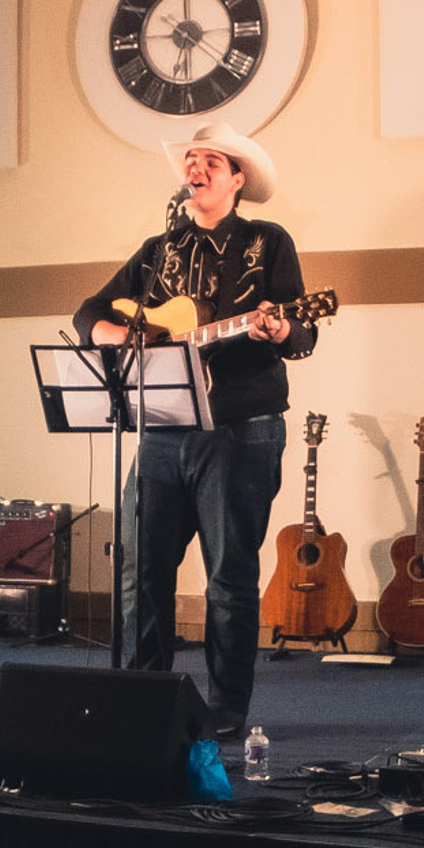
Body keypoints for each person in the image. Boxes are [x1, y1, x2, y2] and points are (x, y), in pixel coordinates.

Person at [73, 119, 317, 737]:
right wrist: (126, 344)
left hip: (239, 432)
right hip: (160, 428)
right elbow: (88, 314)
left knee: (228, 576)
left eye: (213, 160)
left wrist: (280, 328)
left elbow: (304, 331)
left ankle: (227, 712)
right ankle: (143, 694)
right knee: (137, 566)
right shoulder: (160, 250)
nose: (197, 167)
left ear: (237, 179)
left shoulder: (268, 241)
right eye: (193, 159)